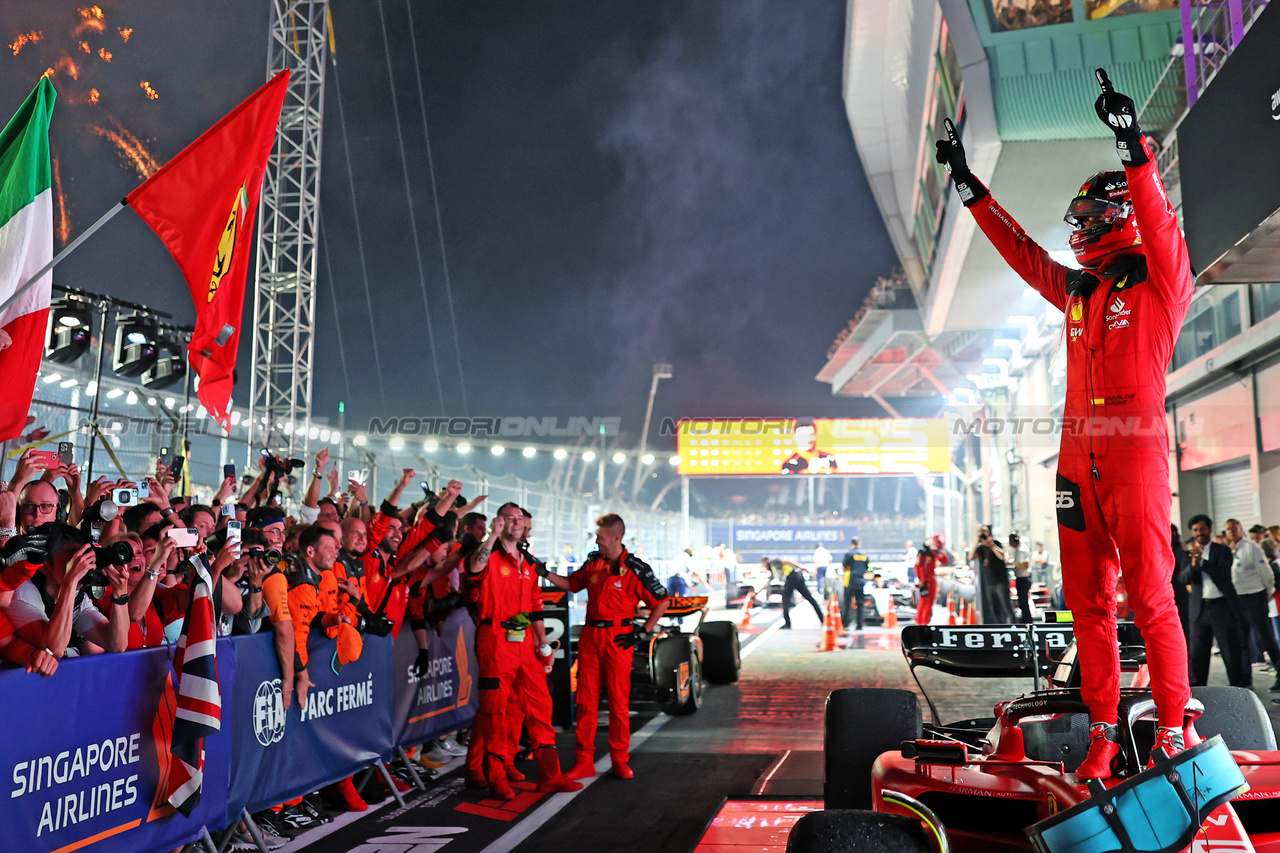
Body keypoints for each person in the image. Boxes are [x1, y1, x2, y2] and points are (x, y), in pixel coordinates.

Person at [937, 68, 1194, 777]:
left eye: (1085, 220)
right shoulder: (1078, 290)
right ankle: (1106, 730)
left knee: (1149, 596)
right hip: (1074, 463)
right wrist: (969, 188)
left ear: (1116, 217)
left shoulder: (1163, 279)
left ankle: (1172, 731)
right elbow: (1022, 253)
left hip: (1136, 453)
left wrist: (1132, 147)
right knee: (1086, 606)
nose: (1075, 231)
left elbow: (1162, 219)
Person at [465, 503, 580, 800]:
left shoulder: (528, 562)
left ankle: (550, 775)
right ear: (500, 521)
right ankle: (496, 776)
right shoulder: (488, 554)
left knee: (540, 704)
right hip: (495, 639)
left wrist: (543, 644)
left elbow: (535, 606)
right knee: (495, 710)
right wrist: (492, 535)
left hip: (526, 641)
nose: (516, 523)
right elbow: (473, 569)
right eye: (510, 518)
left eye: (520, 519)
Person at [543, 513, 669, 781]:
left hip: (618, 638)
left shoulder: (637, 568)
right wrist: (544, 573)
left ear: (616, 537)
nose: (597, 541)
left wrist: (642, 632)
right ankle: (584, 761)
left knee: (618, 703)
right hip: (591, 636)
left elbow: (662, 601)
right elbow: (572, 585)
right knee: (585, 702)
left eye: (600, 537)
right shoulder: (592, 561)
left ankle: (620, 760)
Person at [1179, 514, 1248, 688]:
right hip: (1199, 611)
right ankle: (1198, 691)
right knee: (1197, 655)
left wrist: (1203, 562)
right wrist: (1194, 563)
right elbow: (1182, 579)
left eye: (1202, 529)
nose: (1199, 533)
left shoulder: (1222, 550)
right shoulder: (1189, 554)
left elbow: (1223, 575)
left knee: (1230, 653)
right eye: (1195, 530)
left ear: (1209, 529)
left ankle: (1238, 689)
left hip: (1221, 608)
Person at [1224, 519, 1280, 691]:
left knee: (1266, 638)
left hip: (1255, 598)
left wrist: (1268, 591)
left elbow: (1266, 572)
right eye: (1228, 529)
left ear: (1241, 529)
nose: (1232, 532)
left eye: (1235, 528)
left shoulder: (1251, 548)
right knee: (1243, 641)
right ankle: (1244, 679)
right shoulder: (1231, 551)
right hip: (1239, 599)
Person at [970, 527, 1012, 624]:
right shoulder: (980, 548)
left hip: (1000, 581)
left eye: (985, 534)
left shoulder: (996, 543)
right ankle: (999, 627)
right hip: (989, 582)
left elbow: (1002, 556)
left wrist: (992, 545)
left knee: (1006, 606)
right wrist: (977, 541)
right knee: (994, 608)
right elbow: (971, 557)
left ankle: (1013, 626)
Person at [774, 557, 823, 630]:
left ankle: (787, 623)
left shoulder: (774, 562)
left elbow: (788, 561)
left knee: (785, 599)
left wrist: (802, 567)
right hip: (798, 575)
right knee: (809, 597)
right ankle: (823, 619)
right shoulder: (773, 568)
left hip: (792, 576)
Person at [913, 534, 949, 626]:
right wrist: (921, 579)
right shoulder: (923, 552)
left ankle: (922, 622)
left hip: (930, 579)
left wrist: (942, 551)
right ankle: (922, 622)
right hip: (926, 580)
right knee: (925, 602)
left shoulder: (934, 553)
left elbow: (945, 560)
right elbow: (918, 566)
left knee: (927, 602)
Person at [841, 538, 870, 629]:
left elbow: (844, 567)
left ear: (852, 543)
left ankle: (846, 624)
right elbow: (867, 569)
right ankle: (860, 625)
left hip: (850, 581)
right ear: (860, 543)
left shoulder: (849, 554)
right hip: (861, 581)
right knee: (860, 603)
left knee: (847, 602)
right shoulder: (865, 555)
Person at [1007, 533, 1033, 623]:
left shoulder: (1022, 550)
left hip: (1024, 578)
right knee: (1022, 601)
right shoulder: (1019, 549)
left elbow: (1025, 565)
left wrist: (1013, 563)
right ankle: (1025, 618)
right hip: (1021, 577)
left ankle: (1027, 619)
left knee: (1023, 600)